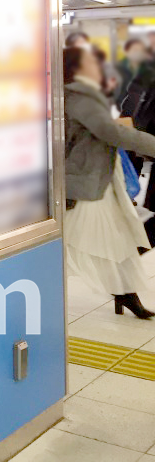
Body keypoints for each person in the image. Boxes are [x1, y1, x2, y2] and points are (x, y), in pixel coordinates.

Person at [64, 46, 155, 319]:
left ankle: (126, 294)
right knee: (70, 242)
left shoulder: (86, 95)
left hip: (103, 180)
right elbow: (109, 132)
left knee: (120, 238)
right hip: (86, 183)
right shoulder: (80, 97)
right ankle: (31, 284)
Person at [116, 38, 150, 106]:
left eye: (141, 50)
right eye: (135, 50)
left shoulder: (149, 71)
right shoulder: (117, 69)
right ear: (126, 51)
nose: (138, 53)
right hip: (119, 108)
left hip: (140, 109)